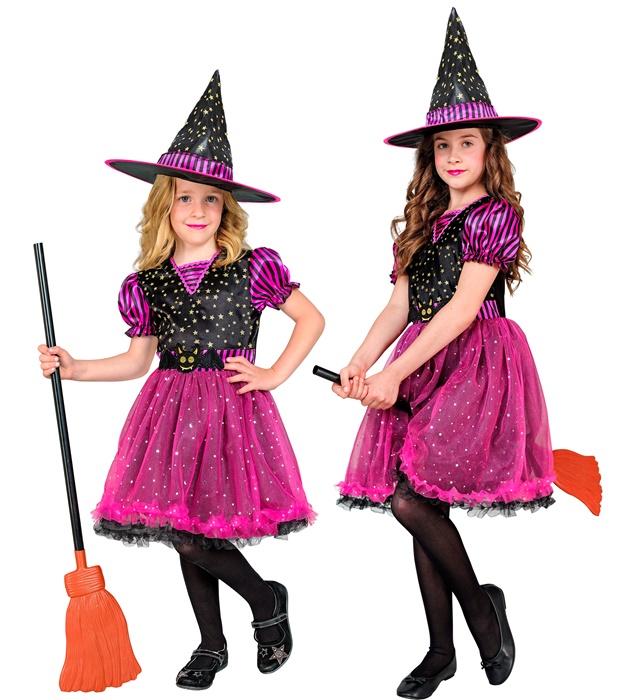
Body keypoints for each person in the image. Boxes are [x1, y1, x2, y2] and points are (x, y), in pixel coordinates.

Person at [330, 8, 598, 699]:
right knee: (419, 503)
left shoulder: (496, 214)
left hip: (474, 363)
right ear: (430, 155)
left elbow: (460, 307)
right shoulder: (421, 225)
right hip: (421, 358)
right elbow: (399, 306)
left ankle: (481, 613)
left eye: (467, 143)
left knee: (413, 500)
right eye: (443, 145)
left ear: (490, 150)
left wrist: (394, 372)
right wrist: (361, 362)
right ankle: (442, 650)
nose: (454, 156)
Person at [38, 70, 324, 691]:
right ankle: (213, 642)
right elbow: (135, 361)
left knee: (197, 533)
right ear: (165, 205)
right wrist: (75, 367)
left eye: (210, 200)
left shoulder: (251, 267)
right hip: (168, 413)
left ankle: (264, 602)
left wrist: (274, 373)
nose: (198, 210)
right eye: (185, 198)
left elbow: (311, 319)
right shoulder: (148, 282)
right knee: (182, 530)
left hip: (230, 412)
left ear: (226, 209)